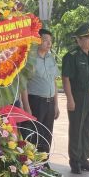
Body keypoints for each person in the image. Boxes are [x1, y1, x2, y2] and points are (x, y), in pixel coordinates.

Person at [61, 24, 89, 175]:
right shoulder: (71, 56)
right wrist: (70, 99)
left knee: (88, 129)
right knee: (76, 129)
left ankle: (84, 158)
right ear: (78, 40)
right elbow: (66, 79)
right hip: (78, 97)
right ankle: (75, 160)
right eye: (87, 38)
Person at [20, 28, 60, 168]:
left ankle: (45, 163)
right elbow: (23, 84)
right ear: (38, 41)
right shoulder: (29, 59)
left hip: (49, 102)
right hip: (35, 102)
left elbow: (53, 81)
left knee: (47, 134)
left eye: (50, 41)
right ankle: (32, 165)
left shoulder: (50, 58)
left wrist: (56, 105)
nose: (48, 43)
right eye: (45, 40)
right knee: (34, 134)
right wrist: (26, 107)